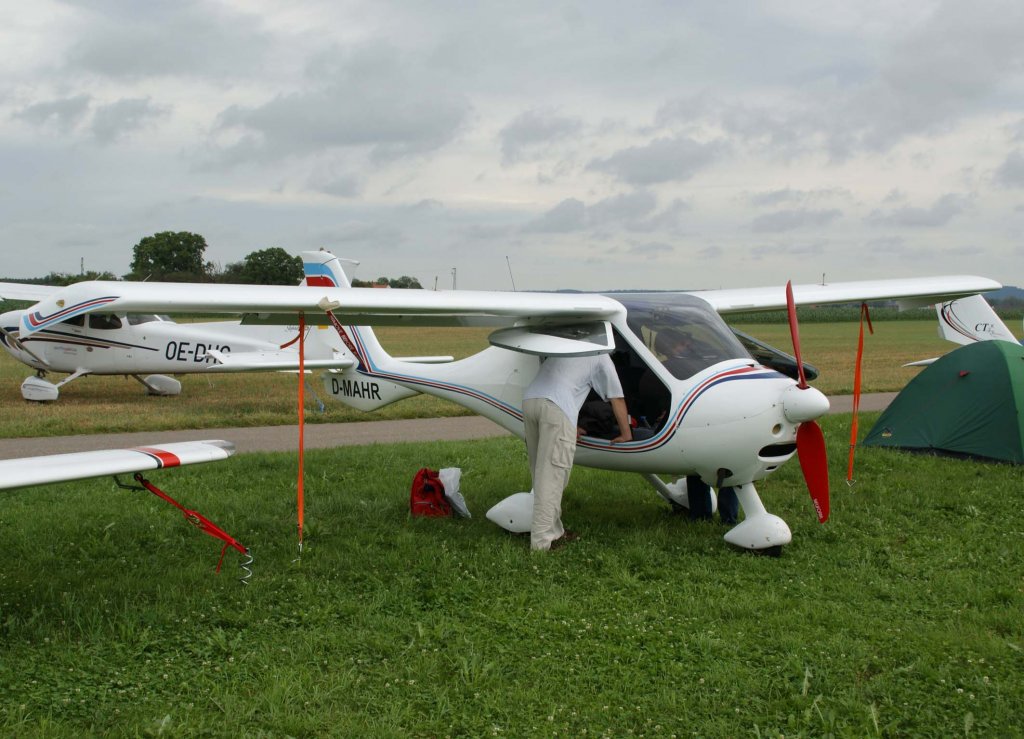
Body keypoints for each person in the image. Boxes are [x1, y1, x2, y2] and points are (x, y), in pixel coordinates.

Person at [522, 354, 632, 551]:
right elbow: (617, 398)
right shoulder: (601, 355)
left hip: (531, 401)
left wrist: (569, 423)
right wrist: (626, 433)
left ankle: (555, 532)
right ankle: (541, 544)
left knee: (539, 471)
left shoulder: (568, 347)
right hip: (555, 406)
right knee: (552, 476)